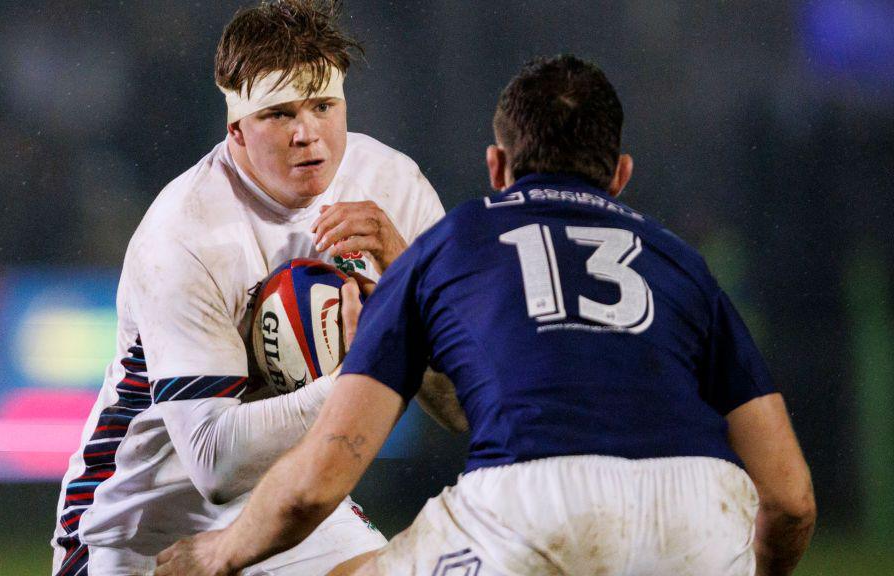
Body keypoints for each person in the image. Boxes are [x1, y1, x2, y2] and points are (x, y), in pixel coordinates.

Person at [154, 55, 817, 576]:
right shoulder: (684, 267)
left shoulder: (450, 246)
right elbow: (790, 498)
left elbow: (320, 479)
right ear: (619, 176)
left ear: (497, 166)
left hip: (531, 500)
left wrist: (215, 555)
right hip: (701, 510)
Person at [50, 1, 459, 574]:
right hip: (144, 523)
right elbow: (213, 466)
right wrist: (359, 376)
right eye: (279, 114)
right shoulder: (185, 234)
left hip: (286, 494)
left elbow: (467, 410)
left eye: (323, 106)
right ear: (235, 129)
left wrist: (412, 291)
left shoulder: (392, 187)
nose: (306, 134)